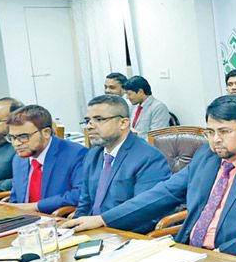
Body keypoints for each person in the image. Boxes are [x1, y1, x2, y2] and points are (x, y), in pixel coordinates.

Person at [68, 96, 236, 254]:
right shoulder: (207, 156)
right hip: (187, 250)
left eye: (224, 132)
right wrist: (103, 219)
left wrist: (220, 253)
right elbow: (164, 193)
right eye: (210, 132)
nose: (215, 140)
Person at [63, 95, 170, 232]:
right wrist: (73, 230)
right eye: (88, 120)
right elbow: (85, 204)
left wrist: (104, 229)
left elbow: (145, 213)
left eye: (99, 119)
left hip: (124, 234)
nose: (89, 126)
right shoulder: (93, 155)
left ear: (123, 123)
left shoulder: (148, 157)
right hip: (92, 233)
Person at [6, 104, 85, 214]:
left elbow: (79, 194)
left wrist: (36, 206)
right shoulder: (18, 159)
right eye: (12, 138)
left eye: (23, 137)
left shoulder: (76, 154)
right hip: (23, 220)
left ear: (46, 133)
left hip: (57, 219)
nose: (16, 144)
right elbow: (16, 198)